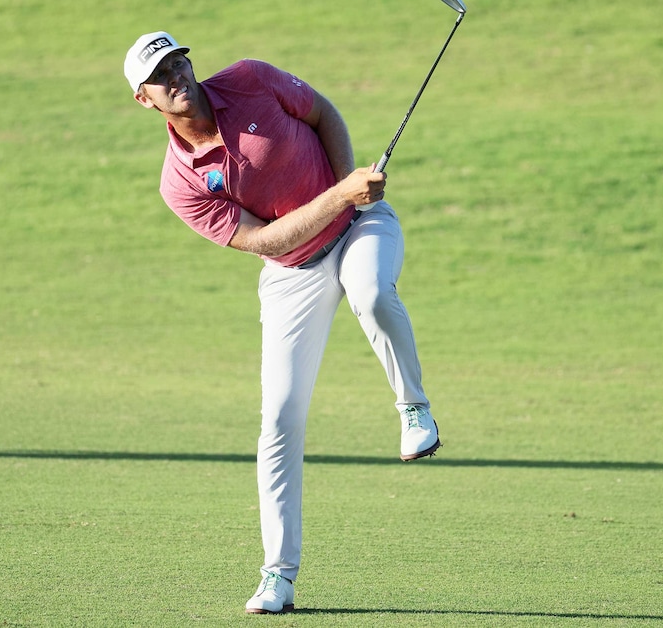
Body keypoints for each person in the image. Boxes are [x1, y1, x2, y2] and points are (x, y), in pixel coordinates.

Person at [123, 31, 441, 614]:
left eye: (178, 61)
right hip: (292, 270)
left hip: (362, 227)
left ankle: (414, 407)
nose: (177, 77)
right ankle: (278, 576)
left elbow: (324, 114)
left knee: (370, 291)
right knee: (278, 420)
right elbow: (264, 238)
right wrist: (338, 194)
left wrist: (353, 191)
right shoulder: (181, 182)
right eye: (161, 76)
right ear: (145, 100)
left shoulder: (249, 78)